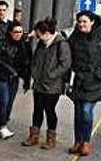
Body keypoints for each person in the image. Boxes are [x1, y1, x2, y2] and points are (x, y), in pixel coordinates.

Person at [68, 10, 101, 156]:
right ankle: (77, 142)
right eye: (79, 21)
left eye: (84, 21)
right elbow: (68, 57)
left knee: (86, 111)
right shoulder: (74, 37)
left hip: (95, 82)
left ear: (92, 22)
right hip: (79, 81)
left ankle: (86, 142)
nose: (81, 24)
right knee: (78, 113)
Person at [23, 18, 72, 150]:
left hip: (53, 85)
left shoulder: (62, 44)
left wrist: (50, 75)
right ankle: (34, 136)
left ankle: (51, 138)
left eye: (38, 33)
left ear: (46, 33)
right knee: (37, 109)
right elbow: (35, 59)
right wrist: (35, 73)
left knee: (49, 110)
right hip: (39, 82)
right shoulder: (41, 43)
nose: (37, 36)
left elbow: (65, 64)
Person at [0, 21, 31, 139]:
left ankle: (4, 121)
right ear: (10, 32)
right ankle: (2, 127)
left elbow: (27, 63)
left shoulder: (25, 45)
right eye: (15, 32)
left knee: (10, 102)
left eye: (20, 32)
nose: (18, 34)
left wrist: (27, 81)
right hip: (0, 76)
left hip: (14, 78)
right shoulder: (1, 42)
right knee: (4, 101)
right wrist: (10, 69)